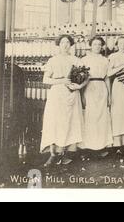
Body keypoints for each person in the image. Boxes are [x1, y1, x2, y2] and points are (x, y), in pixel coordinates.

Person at [40, 35, 88, 166]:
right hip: (57, 95)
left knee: (71, 122)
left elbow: (86, 77)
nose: (65, 45)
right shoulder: (53, 60)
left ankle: (66, 154)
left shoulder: (76, 60)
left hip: (72, 94)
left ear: (71, 44)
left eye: (68, 42)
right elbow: (45, 80)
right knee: (55, 123)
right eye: (63, 42)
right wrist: (61, 81)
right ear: (59, 44)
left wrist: (80, 86)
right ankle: (53, 154)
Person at [79, 36, 113, 157]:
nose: (97, 47)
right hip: (89, 87)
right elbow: (81, 79)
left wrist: (109, 95)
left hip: (102, 88)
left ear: (102, 46)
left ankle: (101, 146)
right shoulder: (84, 60)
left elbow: (107, 78)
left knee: (102, 117)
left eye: (99, 44)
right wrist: (82, 94)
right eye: (95, 44)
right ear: (90, 46)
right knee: (90, 117)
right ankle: (89, 146)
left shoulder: (105, 60)